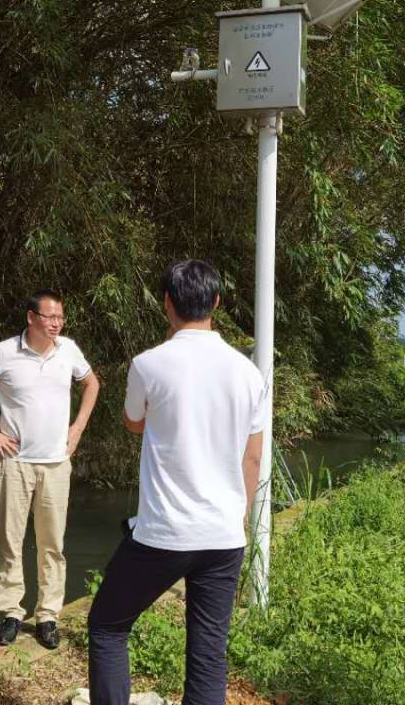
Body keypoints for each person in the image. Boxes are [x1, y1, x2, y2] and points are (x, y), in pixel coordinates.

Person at [87, 260, 267, 705]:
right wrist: (238, 517)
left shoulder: (149, 364)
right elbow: (253, 456)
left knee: (108, 626)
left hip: (164, 532)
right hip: (223, 533)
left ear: (166, 302)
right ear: (217, 303)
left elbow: (133, 422)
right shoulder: (248, 373)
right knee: (208, 652)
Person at [0, 289, 101, 650]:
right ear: (31, 317)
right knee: (11, 541)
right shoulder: (4, 352)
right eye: (50, 317)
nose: (56, 323)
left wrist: (78, 428)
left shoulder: (68, 350)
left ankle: (48, 615)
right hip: (14, 464)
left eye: (60, 317)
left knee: (52, 544)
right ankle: (11, 613)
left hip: (56, 463)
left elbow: (91, 383)